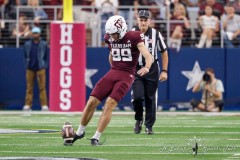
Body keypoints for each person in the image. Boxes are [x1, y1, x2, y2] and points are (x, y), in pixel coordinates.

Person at [72, 15, 153, 146]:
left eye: (114, 34)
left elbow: (148, 55)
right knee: (92, 101)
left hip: (127, 75)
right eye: (110, 34)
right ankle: (80, 131)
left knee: (109, 103)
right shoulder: (108, 38)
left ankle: (96, 137)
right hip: (113, 72)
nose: (112, 36)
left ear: (122, 30)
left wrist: (147, 67)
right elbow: (111, 54)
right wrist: (113, 68)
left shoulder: (134, 36)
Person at [131, 10, 168, 135]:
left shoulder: (156, 34)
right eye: (141, 20)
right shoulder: (131, 33)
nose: (143, 22)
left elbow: (164, 51)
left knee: (150, 98)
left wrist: (164, 70)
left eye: (145, 20)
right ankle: (139, 119)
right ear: (137, 20)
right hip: (136, 68)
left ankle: (149, 126)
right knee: (137, 97)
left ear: (149, 21)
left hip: (151, 69)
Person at [22, 27, 49, 111]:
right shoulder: (27, 44)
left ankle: (44, 105)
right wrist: (26, 65)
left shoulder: (43, 44)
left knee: (42, 87)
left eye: (37, 33)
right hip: (30, 68)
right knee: (29, 87)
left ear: (39, 34)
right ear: (32, 34)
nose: (35, 34)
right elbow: (25, 56)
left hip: (40, 68)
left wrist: (44, 65)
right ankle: (27, 105)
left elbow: (46, 56)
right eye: (34, 33)